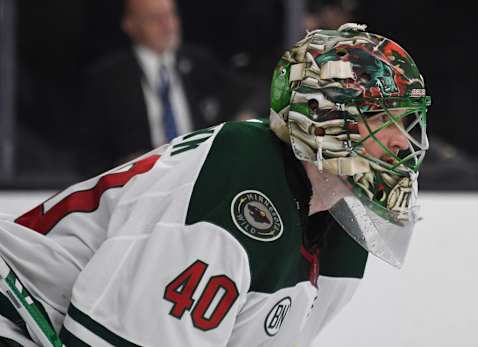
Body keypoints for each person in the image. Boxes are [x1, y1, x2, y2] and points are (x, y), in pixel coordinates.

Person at [0, 23, 430, 346]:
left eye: (409, 121)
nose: (402, 139)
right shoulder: (241, 176)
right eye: (381, 118)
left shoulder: (344, 226)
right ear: (324, 116)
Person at [79, 0, 254, 177]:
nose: (168, 25)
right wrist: (121, 168)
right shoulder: (109, 78)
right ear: (130, 25)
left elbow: (249, 93)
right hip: (141, 185)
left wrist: (243, 117)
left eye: (170, 15)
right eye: (155, 19)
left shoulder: (199, 63)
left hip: (199, 177)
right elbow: (88, 155)